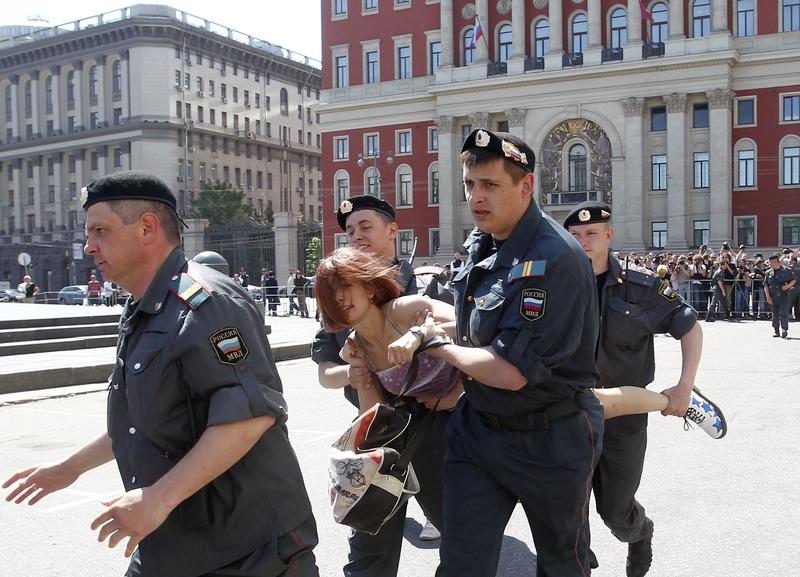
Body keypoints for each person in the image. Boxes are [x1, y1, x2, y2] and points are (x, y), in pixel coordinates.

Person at [3, 171, 318, 577]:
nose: (88, 246)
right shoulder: (146, 307)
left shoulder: (204, 302)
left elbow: (250, 414)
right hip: (175, 542)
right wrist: (70, 468)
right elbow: (140, 420)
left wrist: (157, 500)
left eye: (101, 231)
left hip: (248, 549)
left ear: (147, 228)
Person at [423, 129, 604, 577]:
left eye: (490, 185)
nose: (476, 197)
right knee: (461, 564)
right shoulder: (482, 242)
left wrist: (437, 346)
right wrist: (435, 324)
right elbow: (479, 325)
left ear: (526, 186)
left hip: (550, 437)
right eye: (469, 184)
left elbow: (509, 371)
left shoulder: (554, 257)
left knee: (562, 565)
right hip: (479, 430)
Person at [565, 201, 705, 577]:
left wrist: (684, 386)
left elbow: (690, 327)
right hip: (570, 414)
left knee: (615, 509)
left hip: (625, 417)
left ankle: (640, 533)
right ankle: (576, 555)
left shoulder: (642, 286)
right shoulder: (555, 286)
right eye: (574, 236)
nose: (583, 242)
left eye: (591, 234)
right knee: (567, 506)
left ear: (609, 235)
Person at [311, 195, 446, 577]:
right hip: (375, 432)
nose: (357, 236)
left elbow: (457, 335)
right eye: (350, 230)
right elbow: (326, 372)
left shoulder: (426, 287)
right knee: (369, 547)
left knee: (460, 536)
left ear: (392, 231)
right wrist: (356, 371)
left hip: (433, 429)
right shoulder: (339, 293)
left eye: (365, 227)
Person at [764, 254, 796, 338]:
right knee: (775, 315)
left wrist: (788, 286)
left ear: (776, 262)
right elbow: (766, 285)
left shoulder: (787, 270)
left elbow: (794, 280)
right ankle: (776, 331)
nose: (769, 264)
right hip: (773, 296)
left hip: (784, 296)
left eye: (771, 263)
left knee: (784, 312)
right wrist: (768, 297)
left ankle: (784, 329)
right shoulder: (768, 272)